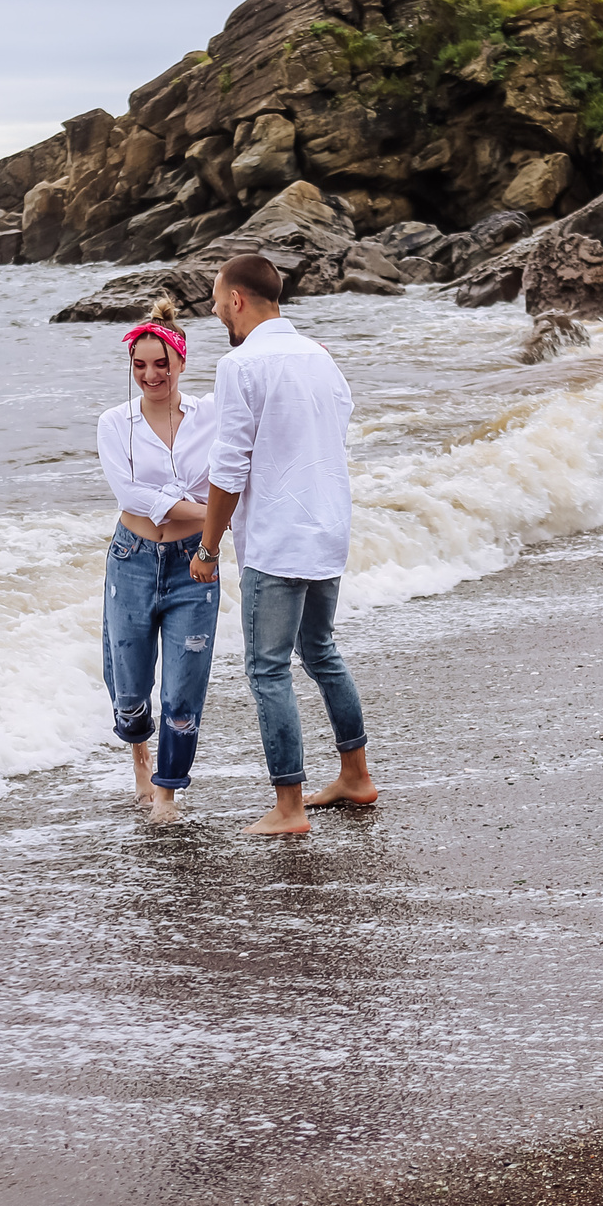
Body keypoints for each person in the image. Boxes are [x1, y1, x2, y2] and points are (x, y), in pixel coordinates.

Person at [190, 253, 379, 836]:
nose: (217, 309)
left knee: (267, 669)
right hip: (327, 528)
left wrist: (208, 545)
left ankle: (290, 807)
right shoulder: (321, 358)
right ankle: (355, 776)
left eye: (219, 299)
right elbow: (334, 427)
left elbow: (230, 465)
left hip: (277, 537)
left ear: (238, 299)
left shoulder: (241, 363)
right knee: (319, 649)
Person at [94, 296, 220, 824]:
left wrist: (212, 523)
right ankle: (139, 756)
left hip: (196, 561)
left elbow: (247, 454)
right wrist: (216, 512)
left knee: (185, 687)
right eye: (140, 365)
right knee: (128, 685)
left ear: (181, 362)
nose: (151, 375)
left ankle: (167, 790)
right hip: (133, 558)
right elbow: (131, 497)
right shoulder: (113, 423)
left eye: (161, 364)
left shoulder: (211, 415)